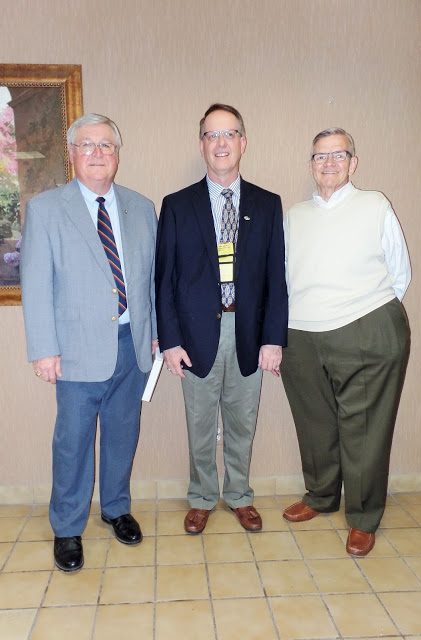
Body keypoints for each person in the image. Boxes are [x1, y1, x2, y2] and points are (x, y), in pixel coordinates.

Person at [20, 113, 158, 571]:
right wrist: (43, 348)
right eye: (87, 145)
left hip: (132, 345)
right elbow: (36, 283)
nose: (97, 153)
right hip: (75, 350)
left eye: (106, 145)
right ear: (72, 153)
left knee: (122, 435)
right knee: (73, 442)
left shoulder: (141, 207)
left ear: (117, 154)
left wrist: (155, 331)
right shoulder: (46, 209)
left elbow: (150, 280)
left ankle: (116, 509)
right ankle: (67, 528)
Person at [155, 103, 288, 534]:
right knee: (198, 422)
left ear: (243, 143)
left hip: (248, 331)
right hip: (195, 334)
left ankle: (239, 495)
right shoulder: (176, 205)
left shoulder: (268, 205)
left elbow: (275, 277)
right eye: (212, 135)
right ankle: (200, 497)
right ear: (201, 146)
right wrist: (170, 340)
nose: (221, 143)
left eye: (229, 134)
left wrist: (274, 339)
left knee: (241, 420)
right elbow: (165, 280)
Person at [281, 127, 411, 556]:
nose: (329, 163)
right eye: (320, 157)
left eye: (339, 155)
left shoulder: (374, 205)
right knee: (315, 425)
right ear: (310, 165)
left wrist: (365, 309)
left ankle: (362, 516)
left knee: (365, 429)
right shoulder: (294, 215)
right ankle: (320, 496)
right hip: (301, 335)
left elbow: (399, 272)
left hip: (366, 328)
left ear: (353, 163)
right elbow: (283, 277)